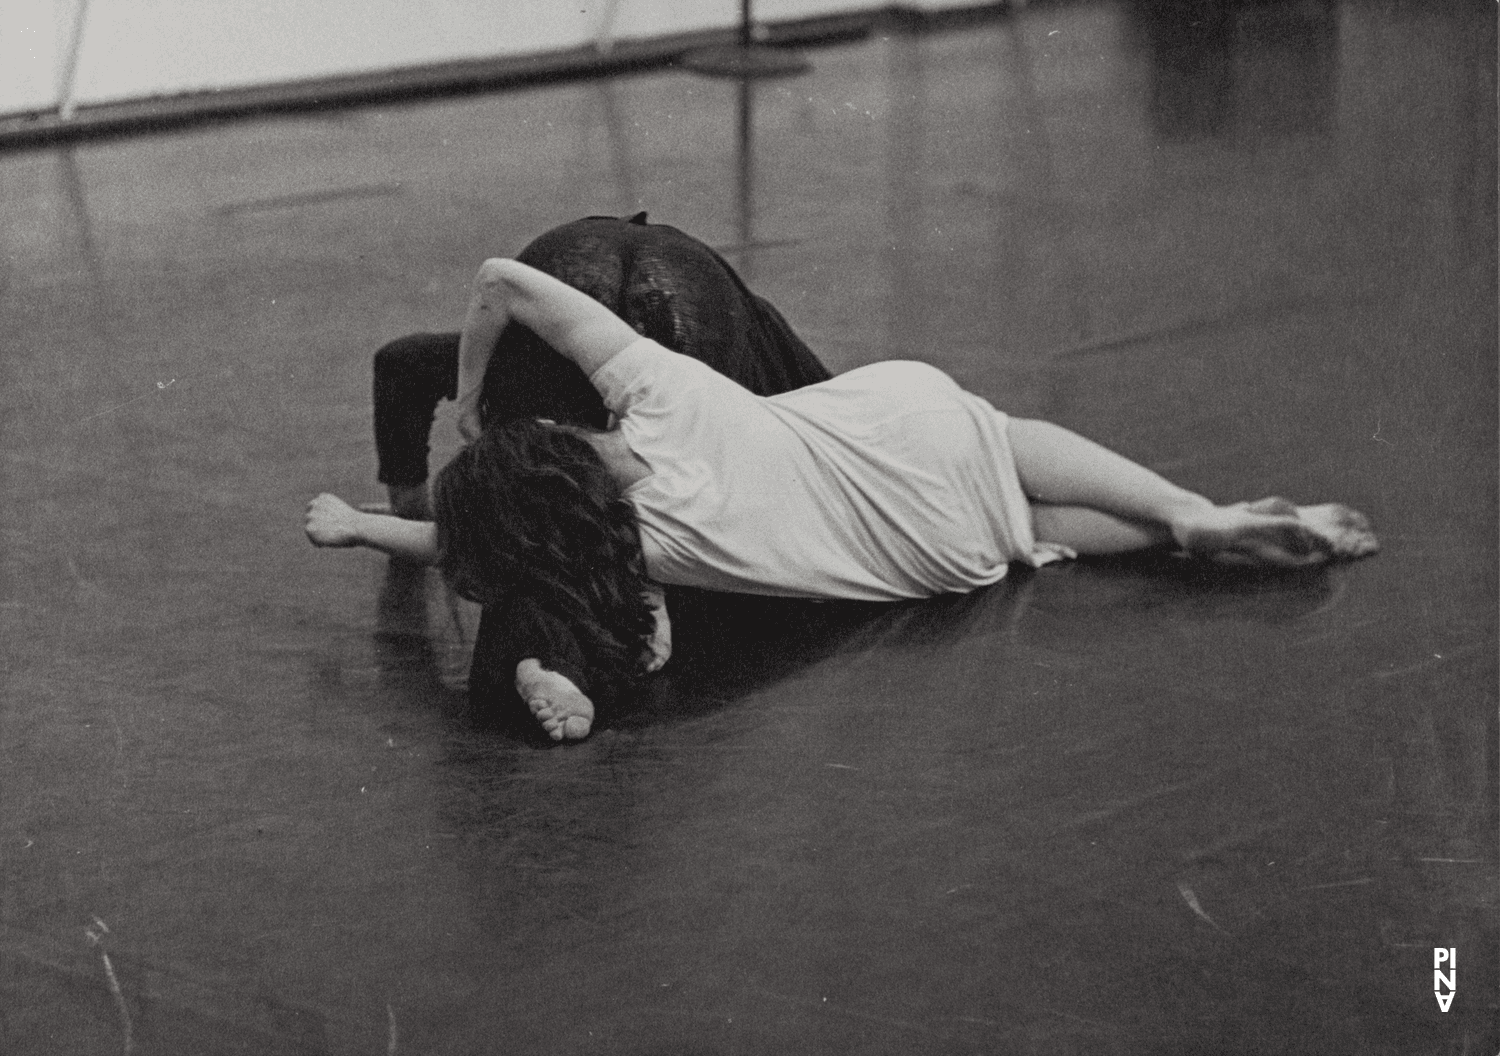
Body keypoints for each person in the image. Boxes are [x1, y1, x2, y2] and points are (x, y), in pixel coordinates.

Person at [308, 254, 1379, 743]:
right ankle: (1190, 508)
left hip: (925, 554)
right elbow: (501, 276)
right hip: (898, 423)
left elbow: (454, 542)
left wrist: (362, 531)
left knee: (1030, 532)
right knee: (1005, 441)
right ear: (556, 437)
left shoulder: (638, 548)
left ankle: (1175, 536)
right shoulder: (656, 388)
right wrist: (472, 393)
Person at [343, 214, 831, 729]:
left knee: (544, 542)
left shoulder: (538, 368)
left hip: (588, 291)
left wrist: (417, 490)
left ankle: (552, 652)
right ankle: (564, 647)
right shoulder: (738, 363)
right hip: (675, 291)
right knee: (571, 540)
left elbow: (399, 364)